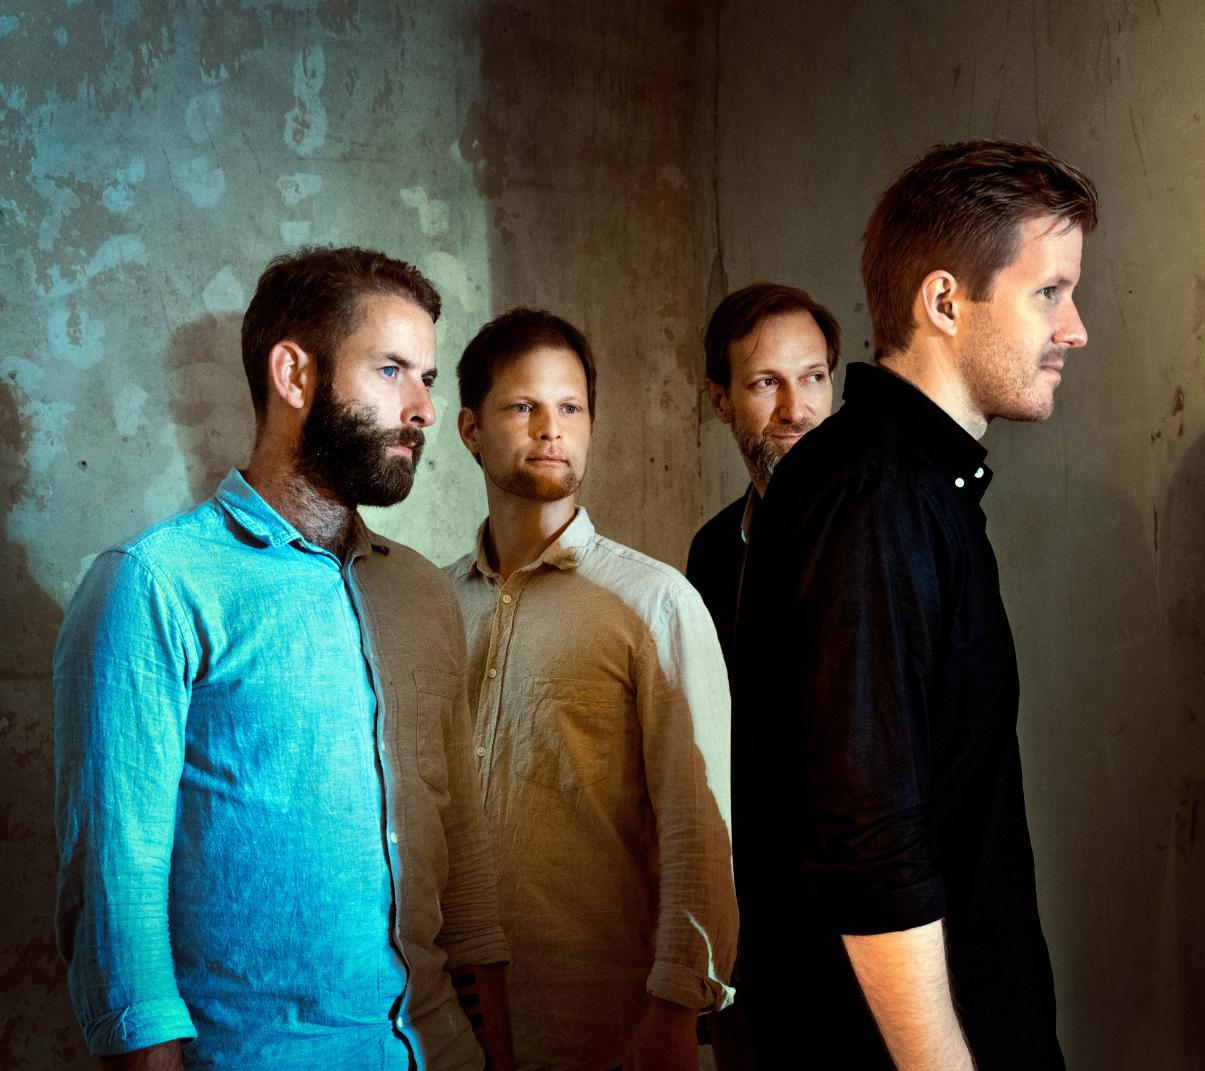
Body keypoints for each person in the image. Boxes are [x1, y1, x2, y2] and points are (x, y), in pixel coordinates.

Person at [54, 247, 514, 1070]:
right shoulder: (155, 584)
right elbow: (115, 896)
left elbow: (464, 851)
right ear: (294, 374)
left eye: (427, 378)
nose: (423, 409)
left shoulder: (422, 593)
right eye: (390, 371)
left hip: (439, 1046)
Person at [733, 141, 1097, 1070]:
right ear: (943, 301)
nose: (1074, 329)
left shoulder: (914, 487)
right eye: (1048, 293)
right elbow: (870, 842)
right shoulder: (875, 497)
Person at [445, 308, 738, 1071]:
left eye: (570, 407)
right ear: (470, 429)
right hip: (451, 1023)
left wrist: (675, 1008)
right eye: (523, 406)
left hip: (609, 1028)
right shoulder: (434, 606)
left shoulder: (654, 602)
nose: (552, 428)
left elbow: (698, 827)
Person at [687, 282, 841, 662]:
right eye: (767, 383)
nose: (795, 410)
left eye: (813, 377)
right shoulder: (711, 552)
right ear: (721, 401)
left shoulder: (882, 527)